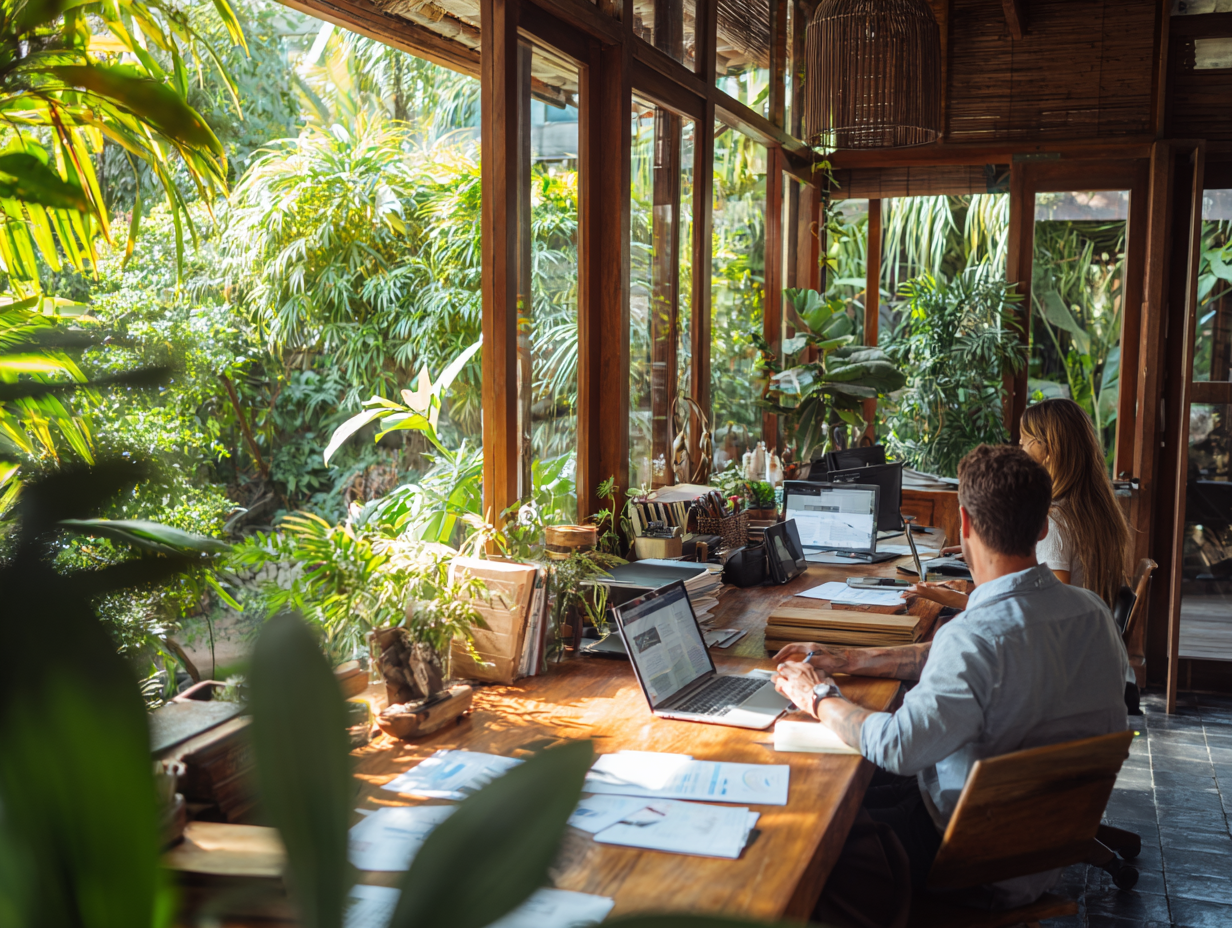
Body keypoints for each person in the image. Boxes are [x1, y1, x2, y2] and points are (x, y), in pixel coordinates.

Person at [773, 444, 1129, 914]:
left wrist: (816, 694)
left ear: (965, 524)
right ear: (1042, 526)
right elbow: (973, 664)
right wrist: (852, 658)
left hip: (969, 863)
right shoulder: (1092, 613)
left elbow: (899, 747)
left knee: (806, 819)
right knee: (849, 782)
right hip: (1044, 846)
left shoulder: (974, 637)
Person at [913, 398, 1132, 611]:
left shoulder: (1056, 521)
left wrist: (962, 601)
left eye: (1024, 443)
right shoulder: (1091, 509)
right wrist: (997, 547)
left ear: (1047, 449)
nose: (1020, 451)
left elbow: (1050, 609)